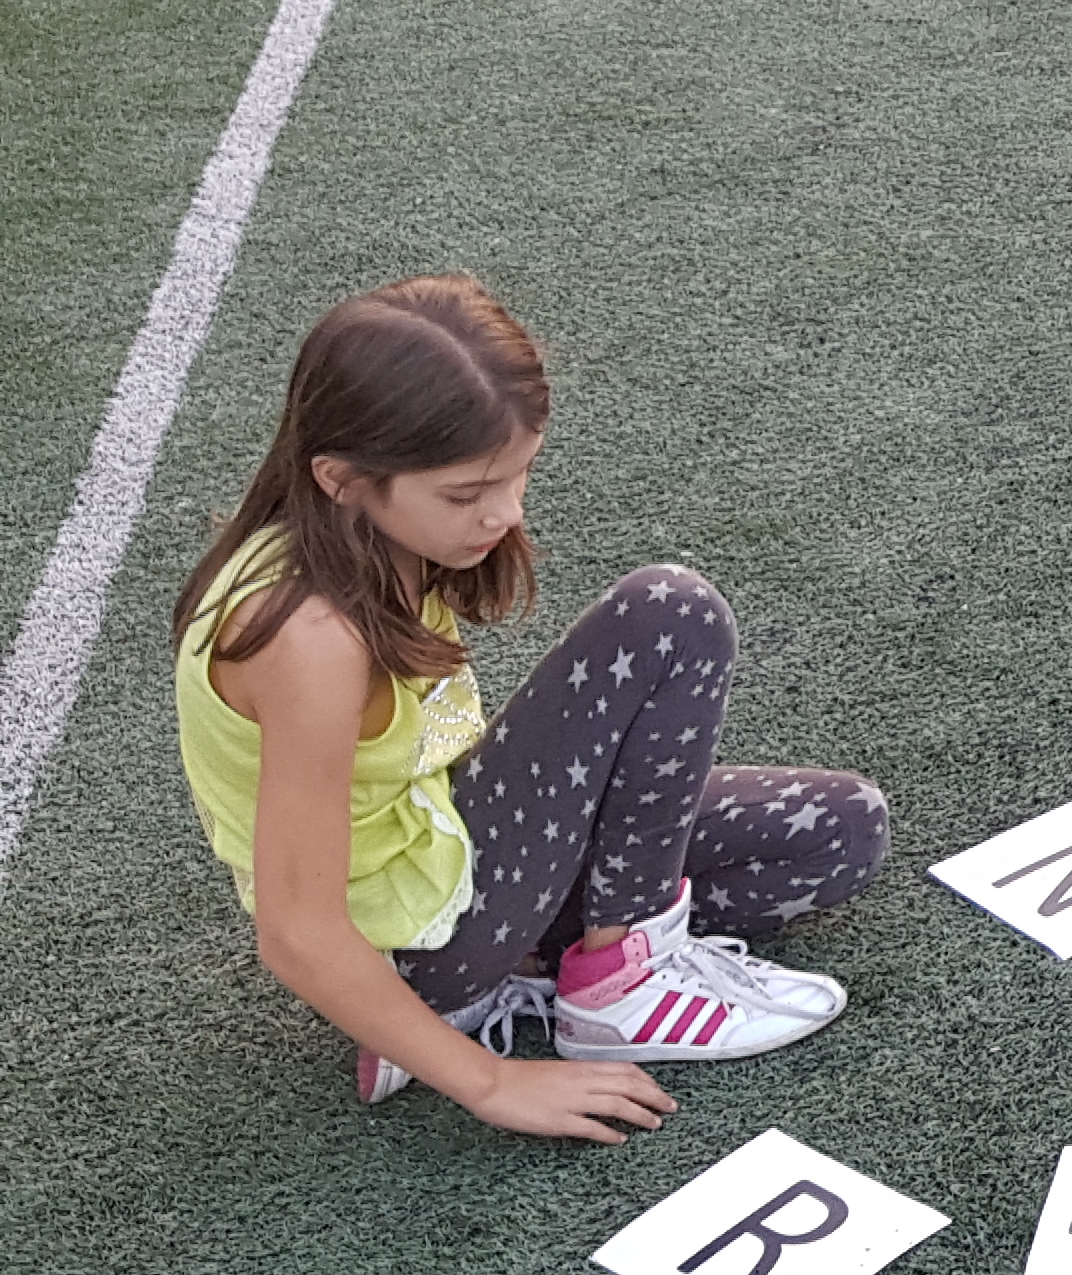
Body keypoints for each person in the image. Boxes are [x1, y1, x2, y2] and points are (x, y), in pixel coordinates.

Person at [173, 278, 889, 1138]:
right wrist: (490, 1084)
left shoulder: (376, 539)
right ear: (344, 480)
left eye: (517, 475)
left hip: (466, 856)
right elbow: (297, 934)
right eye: (466, 493)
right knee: (671, 613)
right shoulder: (308, 637)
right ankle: (611, 984)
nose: (504, 513)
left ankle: (566, 962)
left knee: (837, 833)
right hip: (420, 942)